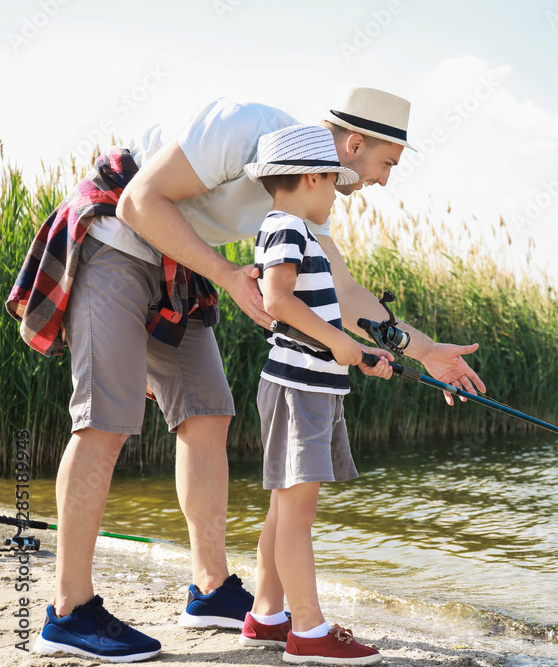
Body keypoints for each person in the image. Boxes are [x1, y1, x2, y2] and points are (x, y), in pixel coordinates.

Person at [13, 87, 486, 662]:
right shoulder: (246, 128)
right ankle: (69, 610)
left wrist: (425, 348)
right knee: (106, 421)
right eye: (387, 164)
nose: (385, 181)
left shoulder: (304, 198)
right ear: (355, 143)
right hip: (116, 241)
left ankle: (211, 590)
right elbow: (140, 202)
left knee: (208, 411)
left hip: (179, 267)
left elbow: (341, 290)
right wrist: (227, 274)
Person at [237, 124, 391, 665]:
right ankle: (308, 631)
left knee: (285, 510)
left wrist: (361, 355)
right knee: (297, 514)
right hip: (298, 390)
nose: (336, 196)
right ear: (311, 177)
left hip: (314, 385)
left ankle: (268, 615)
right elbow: (278, 302)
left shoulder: (296, 231)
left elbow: (316, 315)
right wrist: (339, 341)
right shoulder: (286, 229)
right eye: (332, 184)